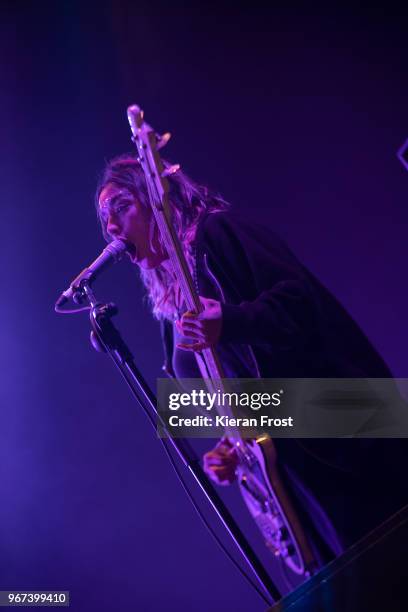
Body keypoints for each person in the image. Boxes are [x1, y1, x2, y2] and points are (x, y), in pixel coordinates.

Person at [96, 153, 407, 565]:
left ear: (157, 196)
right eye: (105, 221)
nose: (113, 228)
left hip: (344, 439)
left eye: (121, 206)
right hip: (298, 473)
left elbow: (301, 304)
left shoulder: (219, 232)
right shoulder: (173, 307)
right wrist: (235, 445)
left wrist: (231, 321)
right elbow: (244, 394)